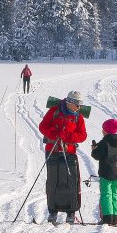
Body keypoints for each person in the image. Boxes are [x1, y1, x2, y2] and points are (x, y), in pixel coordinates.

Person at [38, 89, 88, 223]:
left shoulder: (78, 116)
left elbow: (82, 135)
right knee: (53, 181)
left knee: (71, 181)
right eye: (77, 104)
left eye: (81, 105)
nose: (79, 107)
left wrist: (67, 136)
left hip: (69, 152)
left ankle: (71, 211)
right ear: (69, 102)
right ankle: (52, 210)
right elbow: (43, 126)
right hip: (52, 150)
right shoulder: (54, 110)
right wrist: (55, 133)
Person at [90, 118, 117, 226]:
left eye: (103, 129)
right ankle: (115, 217)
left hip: (106, 172)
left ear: (106, 130)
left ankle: (107, 218)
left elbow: (97, 155)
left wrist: (94, 149)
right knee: (114, 194)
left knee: (106, 194)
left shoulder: (104, 142)